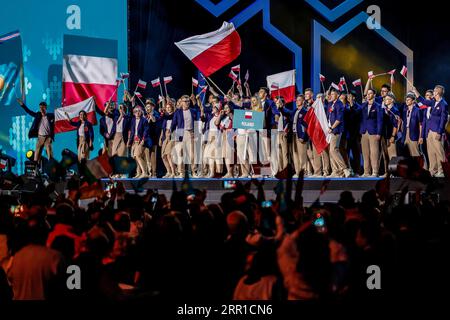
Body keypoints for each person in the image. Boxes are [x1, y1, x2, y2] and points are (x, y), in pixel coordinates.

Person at [413, 85, 448, 177]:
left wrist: (440, 132)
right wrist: (416, 91)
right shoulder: (433, 102)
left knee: (439, 152)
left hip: (437, 131)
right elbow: (423, 101)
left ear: (437, 93)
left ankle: (442, 171)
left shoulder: (444, 104)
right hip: (429, 131)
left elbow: (443, 120)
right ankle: (433, 170)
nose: (433, 92)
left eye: (435, 91)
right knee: (431, 152)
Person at [17, 99, 55, 163]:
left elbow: (59, 116)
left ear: (45, 108)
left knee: (50, 154)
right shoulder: (38, 115)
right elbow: (29, 111)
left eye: (43, 107)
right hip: (40, 138)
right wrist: (22, 105)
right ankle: (36, 168)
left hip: (48, 138)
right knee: (36, 156)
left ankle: (51, 167)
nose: (41, 109)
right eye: (40, 107)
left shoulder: (51, 115)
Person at [171, 95, 198, 177]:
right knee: (180, 153)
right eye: (185, 101)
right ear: (181, 102)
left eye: (188, 101)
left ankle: (193, 172)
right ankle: (181, 172)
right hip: (180, 133)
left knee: (192, 154)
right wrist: (171, 134)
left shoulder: (193, 111)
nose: (187, 103)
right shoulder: (177, 112)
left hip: (190, 133)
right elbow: (173, 124)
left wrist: (196, 133)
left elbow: (197, 122)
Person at [326, 89, 351, 177]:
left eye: (333, 94)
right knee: (331, 151)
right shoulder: (331, 104)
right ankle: (336, 171)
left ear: (338, 95)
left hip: (336, 130)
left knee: (334, 150)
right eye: (331, 94)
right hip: (330, 130)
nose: (331, 95)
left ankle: (345, 169)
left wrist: (331, 127)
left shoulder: (339, 104)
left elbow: (339, 119)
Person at [360, 89, 383, 177]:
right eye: (367, 94)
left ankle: (375, 171)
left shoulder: (378, 106)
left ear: (374, 95)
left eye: (370, 93)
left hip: (373, 132)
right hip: (364, 131)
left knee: (374, 152)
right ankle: (366, 172)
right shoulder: (363, 106)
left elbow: (380, 121)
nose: (368, 95)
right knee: (365, 153)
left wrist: (379, 133)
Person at [258, 87, 280, 177]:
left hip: (267, 129)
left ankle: (273, 172)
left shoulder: (270, 102)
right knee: (263, 152)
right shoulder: (257, 103)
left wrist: (276, 120)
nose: (259, 93)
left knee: (269, 151)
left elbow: (276, 112)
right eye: (259, 91)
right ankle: (265, 173)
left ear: (266, 94)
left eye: (261, 91)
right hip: (260, 130)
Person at [380, 92, 400, 175]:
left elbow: (396, 125)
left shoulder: (395, 110)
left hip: (391, 135)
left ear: (392, 100)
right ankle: (387, 172)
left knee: (392, 156)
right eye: (385, 99)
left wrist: (393, 135)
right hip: (384, 135)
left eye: (387, 99)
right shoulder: (385, 110)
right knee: (385, 155)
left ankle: (394, 173)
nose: (385, 100)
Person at [291, 94, 310, 177]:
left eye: (299, 100)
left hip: (301, 135)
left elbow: (306, 126)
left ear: (303, 101)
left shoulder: (305, 111)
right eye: (296, 100)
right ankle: (298, 172)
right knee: (295, 154)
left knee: (302, 154)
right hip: (294, 135)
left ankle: (303, 171)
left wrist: (303, 136)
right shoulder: (294, 111)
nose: (297, 101)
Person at [128, 106, 150, 178]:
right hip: (134, 141)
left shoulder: (144, 120)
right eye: (135, 111)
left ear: (141, 112)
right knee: (135, 157)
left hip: (141, 141)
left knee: (137, 155)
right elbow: (132, 132)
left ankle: (144, 172)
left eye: (138, 111)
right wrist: (130, 141)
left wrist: (143, 140)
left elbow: (146, 131)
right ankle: (138, 173)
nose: (137, 112)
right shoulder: (133, 120)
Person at [400, 92, 423, 158]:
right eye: (406, 100)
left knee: (415, 152)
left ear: (413, 101)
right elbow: (403, 121)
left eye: (408, 99)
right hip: (405, 133)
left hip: (414, 133)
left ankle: (418, 167)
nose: (406, 101)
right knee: (406, 153)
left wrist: (420, 136)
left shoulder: (417, 110)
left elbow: (420, 124)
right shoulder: (405, 110)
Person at [345, 91, 362, 175]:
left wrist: (351, 106)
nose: (348, 97)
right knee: (346, 154)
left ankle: (357, 171)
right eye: (347, 96)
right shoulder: (345, 106)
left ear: (354, 97)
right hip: (347, 134)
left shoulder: (358, 107)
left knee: (356, 154)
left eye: (350, 96)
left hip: (355, 134)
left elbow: (355, 114)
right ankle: (348, 170)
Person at [216, 103, 234, 178]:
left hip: (231, 136)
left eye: (227, 107)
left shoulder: (232, 116)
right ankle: (229, 172)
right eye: (225, 107)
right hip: (223, 137)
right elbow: (216, 123)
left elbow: (235, 122)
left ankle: (231, 173)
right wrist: (220, 115)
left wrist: (230, 115)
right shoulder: (223, 117)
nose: (226, 109)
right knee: (226, 155)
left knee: (230, 155)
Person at [144, 99, 161, 177]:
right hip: (146, 137)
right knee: (146, 155)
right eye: (146, 106)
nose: (147, 108)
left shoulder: (156, 114)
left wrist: (151, 115)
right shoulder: (144, 115)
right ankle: (148, 172)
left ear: (153, 107)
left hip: (153, 137)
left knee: (153, 155)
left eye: (149, 106)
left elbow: (154, 120)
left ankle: (154, 173)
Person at [159, 100, 176, 178]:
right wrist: (160, 138)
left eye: (169, 107)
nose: (168, 109)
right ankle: (168, 171)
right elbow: (163, 128)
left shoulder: (174, 115)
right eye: (167, 107)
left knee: (169, 154)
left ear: (172, 107)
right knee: (163, 156)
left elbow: (171, 118)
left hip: (172, 135)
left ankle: (173, 172)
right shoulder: (165, 117)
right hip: (165, 136)